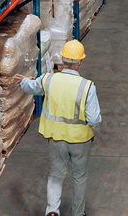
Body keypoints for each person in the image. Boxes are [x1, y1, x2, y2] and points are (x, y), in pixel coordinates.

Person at [16, 40, 101, 216]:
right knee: (80, 177)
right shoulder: (87, 87)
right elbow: (94, 120)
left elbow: (31, 87)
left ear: (62, 59)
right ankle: (78, 213)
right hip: (80, 141)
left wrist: (24, 81)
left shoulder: (49, 79)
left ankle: (52, 212)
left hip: (56, 139)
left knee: (56, 175)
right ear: (81, 62)